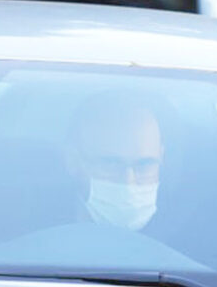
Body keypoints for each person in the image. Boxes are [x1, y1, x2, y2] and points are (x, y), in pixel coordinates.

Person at [67, 97, 164, 232]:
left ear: (161, 158)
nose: (128, 181)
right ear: (73, 161)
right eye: (111, 164)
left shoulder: (191, 244)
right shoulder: (37, 237)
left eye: (144, 164)